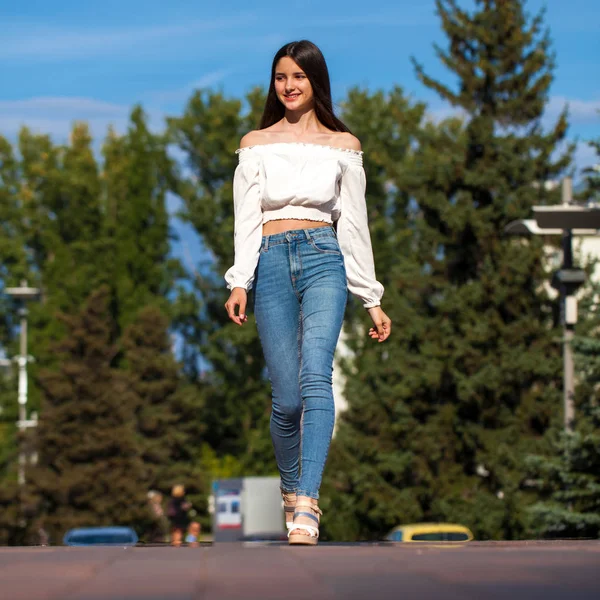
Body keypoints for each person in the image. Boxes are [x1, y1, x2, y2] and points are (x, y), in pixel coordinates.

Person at [224, 40, 391, 546]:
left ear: (316, 81)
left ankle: (307, 505)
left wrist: (371, 295)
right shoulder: (255, 143)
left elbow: (355, 225)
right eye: (281, 77)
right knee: (287, 397)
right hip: (271, 260)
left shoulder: (344, 146)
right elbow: (247, 218)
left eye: (299, 76)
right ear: (273, 84)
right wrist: (240, 280)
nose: (290, 85)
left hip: (325, 258)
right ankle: (291, 483)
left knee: (317, 374)